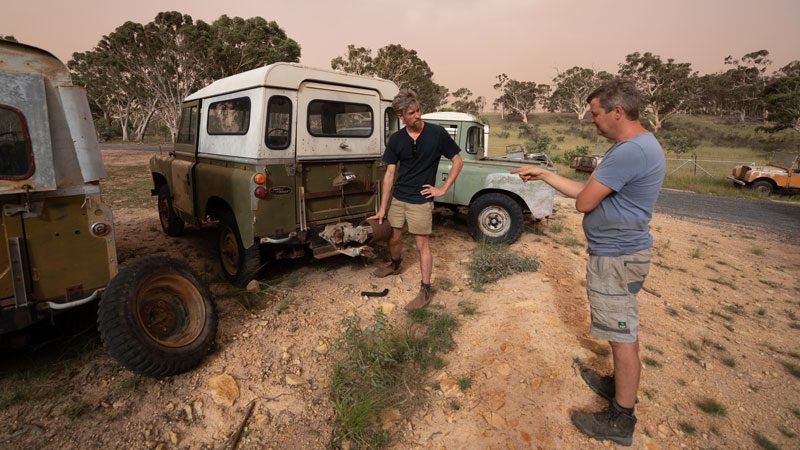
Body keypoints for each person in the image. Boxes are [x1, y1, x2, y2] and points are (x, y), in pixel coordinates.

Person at [511, 79, 665, 446]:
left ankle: (621, 418)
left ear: (617, 111)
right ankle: (619, 385)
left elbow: (584, 202)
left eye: (595, 114)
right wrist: (546, 175)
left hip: (616, 257)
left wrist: (561, 183)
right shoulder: (634, 145)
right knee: (620, 329)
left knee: (623, 333)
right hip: (620, 253)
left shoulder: (630, 151)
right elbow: (587, 192)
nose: (592, 121)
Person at [368, 89, 463, 310]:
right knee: (393, 238)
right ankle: (395, 264)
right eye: (412, 113)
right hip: (400, 198)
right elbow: (390, 175)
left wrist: (442, 189)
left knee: (422, 245)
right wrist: (383, 208)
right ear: (401, 115)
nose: (418, 115)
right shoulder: (396, 139)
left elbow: (458, 161)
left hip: (421, 200)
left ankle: (425, 289)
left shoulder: (437, 133)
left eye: (418, 110)